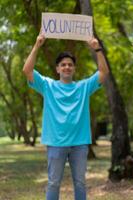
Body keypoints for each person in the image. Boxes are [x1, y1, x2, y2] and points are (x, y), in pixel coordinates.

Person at [22, 34, 109, 200]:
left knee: (80, 183)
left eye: (70, 65)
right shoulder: (48, 85)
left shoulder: (83, 87)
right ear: (57, 69)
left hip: (79, 144)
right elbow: (27, 70)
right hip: (56, 143)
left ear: (74, 69)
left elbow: (104, 72)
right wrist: (37, 46)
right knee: (53, 183)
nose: (67, 67)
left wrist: (97, 48)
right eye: (63, 65)